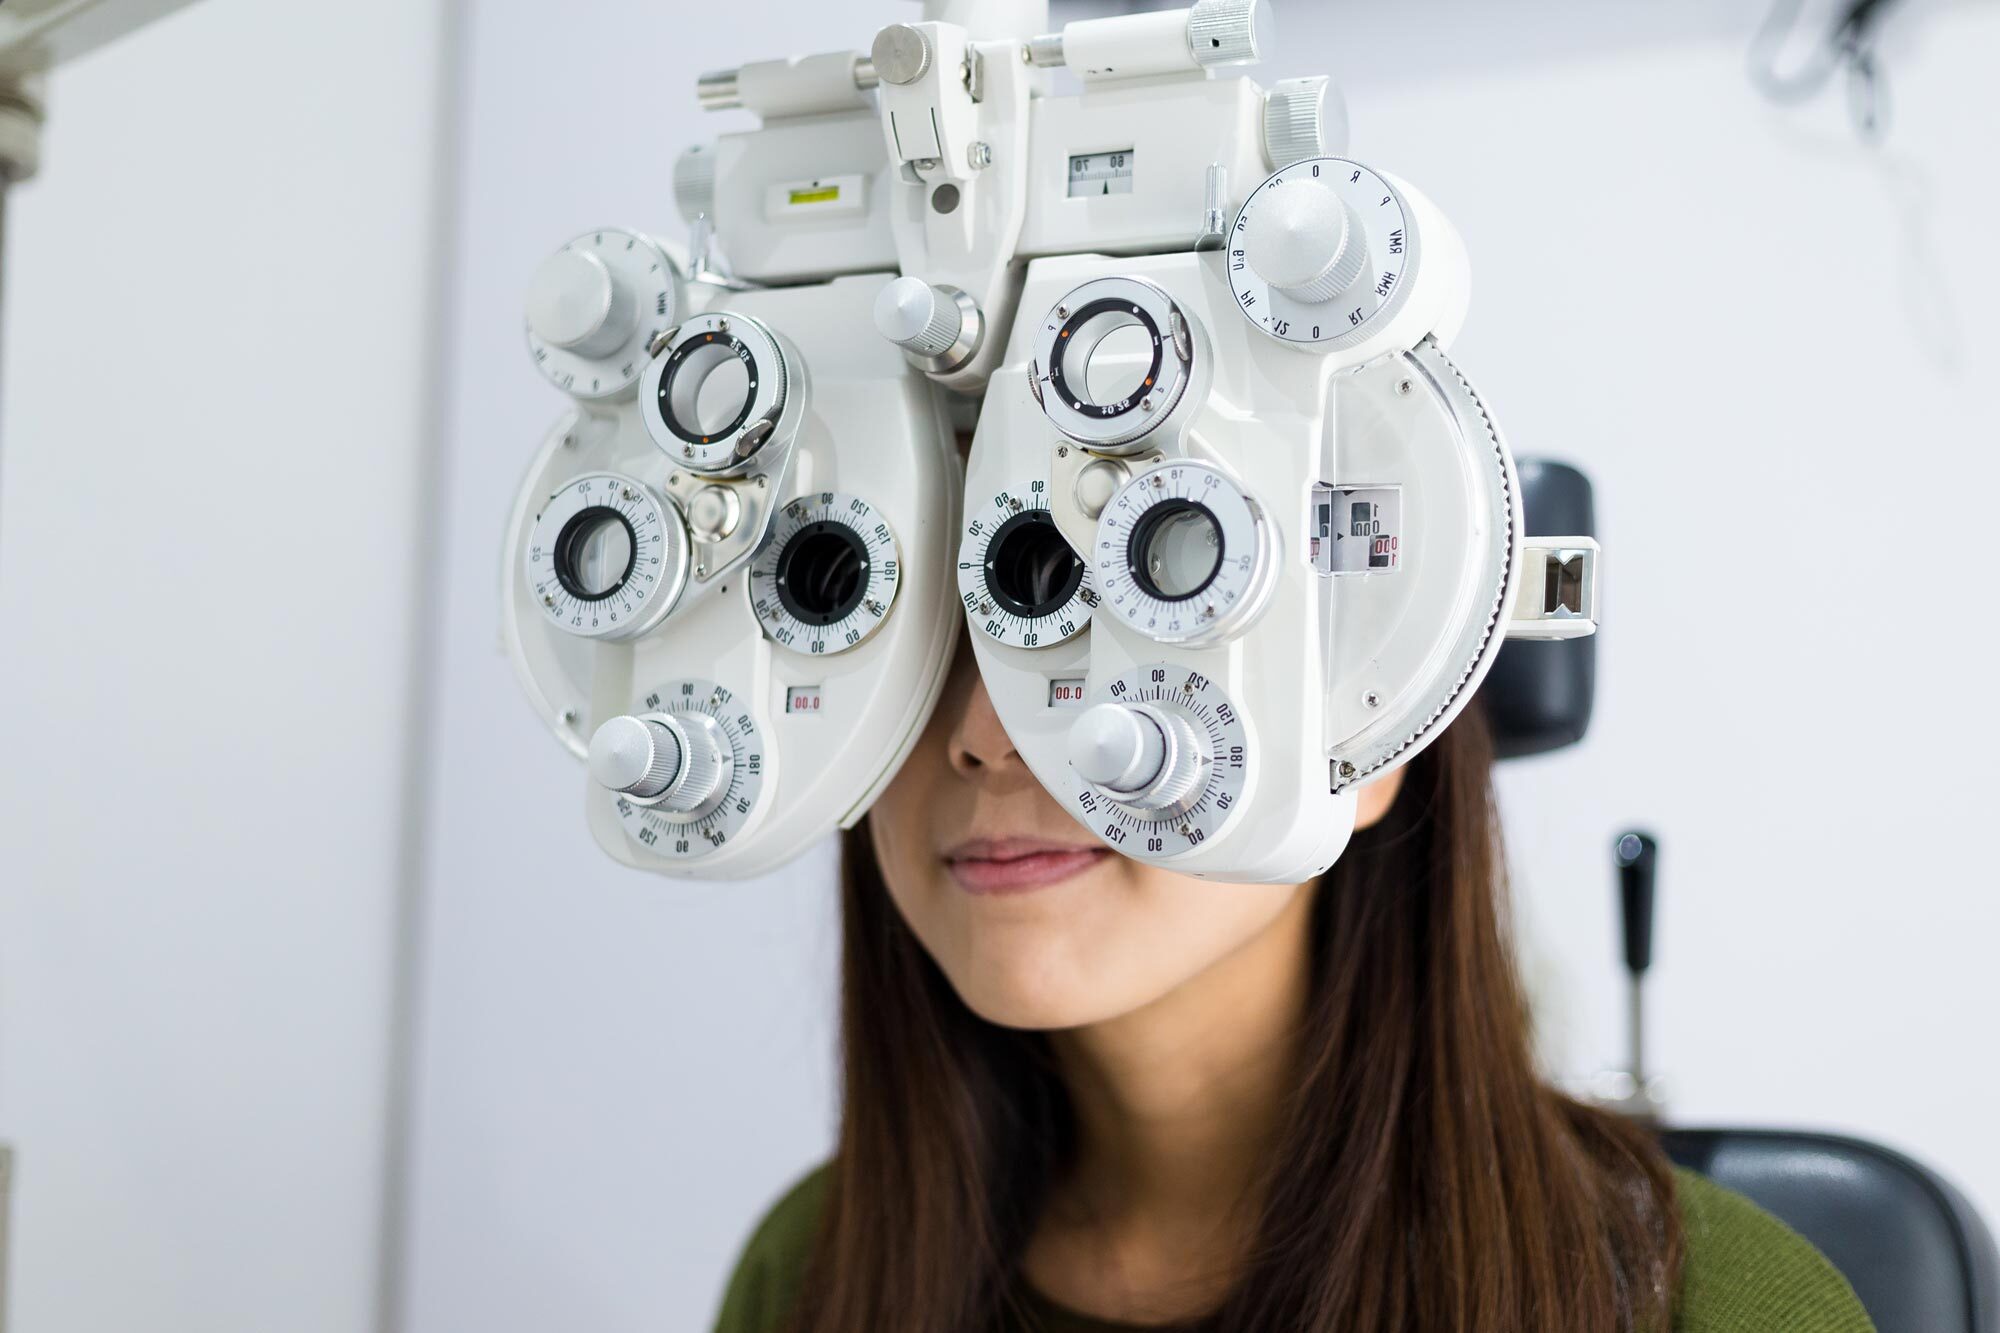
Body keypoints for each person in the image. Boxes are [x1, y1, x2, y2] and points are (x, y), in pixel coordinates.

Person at [712, 630, 1875, 1332]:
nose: (980, 732)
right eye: (908, 629)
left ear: (1371, 729)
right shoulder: (817, 1270)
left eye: (1109, 622)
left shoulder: (1708, 1306)